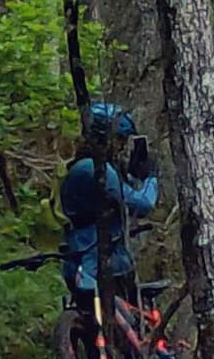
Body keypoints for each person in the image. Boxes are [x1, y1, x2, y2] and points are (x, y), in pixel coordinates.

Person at [59, 99, 157, 298]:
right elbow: (142, 203)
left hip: (84, 256)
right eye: (120, 139)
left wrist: (132, 176)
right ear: (106, 138)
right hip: (96, 261)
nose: (122, 147)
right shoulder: (94, 168)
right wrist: (150, 179)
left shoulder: (83, 165)